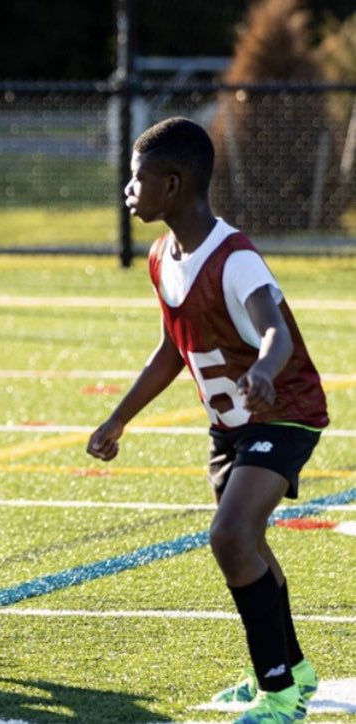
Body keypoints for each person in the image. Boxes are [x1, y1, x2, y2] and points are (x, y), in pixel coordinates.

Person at [86, 117, 328, 724]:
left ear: (172, 184)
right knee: (247, 542)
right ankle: (291, 670)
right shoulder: (164, 255)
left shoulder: (235, 257)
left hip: (283, 411)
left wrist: (267, 370)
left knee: (231, 538)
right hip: (230, 426)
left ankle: (278, 696)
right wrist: (118, 419)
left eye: (137, 178)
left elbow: (273, 328)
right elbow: (173, 348)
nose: (128, 189)